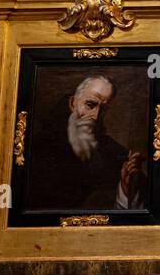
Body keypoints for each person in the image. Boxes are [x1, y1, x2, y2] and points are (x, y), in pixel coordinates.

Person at [27, 75, 145, 211]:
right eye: (90, 105)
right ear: (72, 103)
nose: (95, 116)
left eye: (103, 109)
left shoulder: (114, 152)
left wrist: (125, 189)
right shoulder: (37, 148)